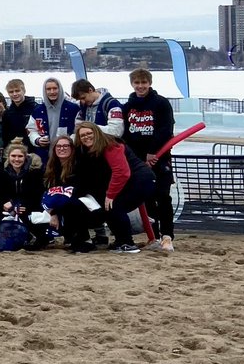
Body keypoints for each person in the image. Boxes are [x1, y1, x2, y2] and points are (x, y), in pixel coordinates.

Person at [72, 122, 155, 254]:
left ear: (97, 133)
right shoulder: (87, 152)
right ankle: (120, 240)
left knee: (115, 206)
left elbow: (122, 172)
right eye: (82, 135)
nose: (86, 137)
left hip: (141, 180)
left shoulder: (111, 145)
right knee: (109, 207)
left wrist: (110, 194)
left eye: (89, 133)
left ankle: (127, 243)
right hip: (129, 181)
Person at [122, 68, 177, 252]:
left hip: (160, 159)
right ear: (132, 84)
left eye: (143, 82)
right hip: (137, 161)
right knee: (146, 199)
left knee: (163, 197)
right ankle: (152, 236)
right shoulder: (128, 107)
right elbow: (125, 134)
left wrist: (153, 152)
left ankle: (167, 236)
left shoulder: (160, 103)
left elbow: (166, 129)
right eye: (137, 83)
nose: (140, 86)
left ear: (150, 83)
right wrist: (133, 158)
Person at [0, 138, 47, 249]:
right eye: (13, 156)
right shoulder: (3, 174)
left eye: (20, 156)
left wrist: (24, 206)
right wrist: (5, 203)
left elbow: (37, 194)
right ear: (8, 157)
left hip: (29, 207)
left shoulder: (34, 173)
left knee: (29, 215)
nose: (16, 159)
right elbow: (0, 193)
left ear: (25, 158)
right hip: (10, 208)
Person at [27, 78, 79, 164]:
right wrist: (37, 140)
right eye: (48, 89)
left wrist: (69, 141)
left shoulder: (73, 108)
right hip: (45, 157)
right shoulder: (37, 110)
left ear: (60, 89)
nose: (52, 92)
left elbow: (79, 131)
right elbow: (31, 130)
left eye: (55, 88)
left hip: (69, 157)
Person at [2, 79, 37, 152]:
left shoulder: (35, 109)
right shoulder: (7, 113)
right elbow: (5, 136)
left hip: (33, 150)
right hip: (15, 152)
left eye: (17, 91)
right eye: (11, 92)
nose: (14, 94)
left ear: (24, 91)